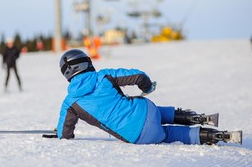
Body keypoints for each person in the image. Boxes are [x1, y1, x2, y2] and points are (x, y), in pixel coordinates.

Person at [55, 49, 242, 145]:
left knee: (167, 134)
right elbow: (139, 76)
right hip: (147, 109)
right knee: (155, 112)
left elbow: (65, 134)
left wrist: (60, 133)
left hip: (137, 136)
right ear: (86, 63)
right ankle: (194, 117)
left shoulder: (70, 103)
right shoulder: (103, 76)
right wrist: (146, 86)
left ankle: (211, 136)